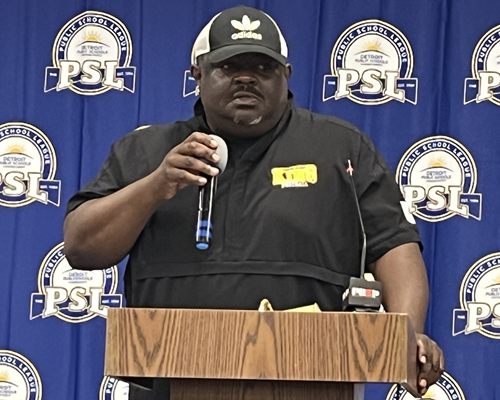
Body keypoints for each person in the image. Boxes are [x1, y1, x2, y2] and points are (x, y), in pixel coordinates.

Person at [64, 5, 444, 399]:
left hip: (316, 375)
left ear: (287, 75)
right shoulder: (145, 151)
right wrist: (156, 185)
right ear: (197, 74)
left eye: (263, 69)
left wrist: (406, 334)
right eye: (229, 68)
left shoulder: (341, 148)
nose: (246, 79)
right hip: (167, 378)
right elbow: (81, 248)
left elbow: (394, 245)